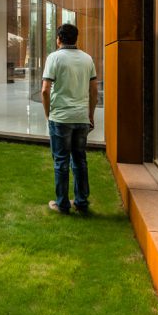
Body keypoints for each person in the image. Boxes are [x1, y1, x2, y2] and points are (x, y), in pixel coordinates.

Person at [41, 23, 98, 214]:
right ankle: (81, 202)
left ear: (58, 38)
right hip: (81, 117)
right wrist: (90, 114)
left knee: (61, 161)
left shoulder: (54, 58)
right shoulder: (87, 59)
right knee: (80, 160)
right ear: (76, 38)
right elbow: (94, 91)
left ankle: (62, 204)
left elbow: (44, 90)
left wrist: (48, 114)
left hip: (61, 118)